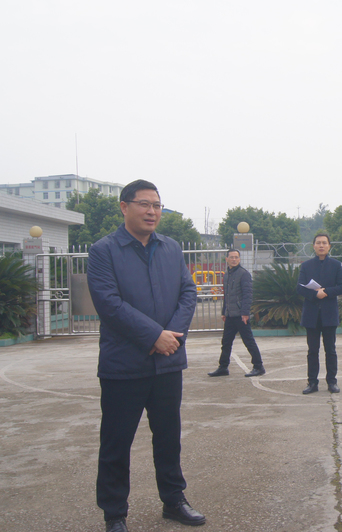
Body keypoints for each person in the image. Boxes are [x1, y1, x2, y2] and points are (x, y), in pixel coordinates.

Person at [87, 180, 205, 532]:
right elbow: (108, 303)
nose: (152, 211)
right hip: (124, 365)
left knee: (168, 437)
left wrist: (172, 337)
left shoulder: (171, 248)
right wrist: (154, 336)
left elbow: (188, 292)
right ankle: (114, 514)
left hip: (168, 363)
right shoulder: (103, 251)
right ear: (124, 207)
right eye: (144, 204)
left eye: (157, 205)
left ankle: (174, 500)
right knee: (116, 443)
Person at [297, 232, 342, 394]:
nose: (321, 246)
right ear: (313, 246)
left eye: (324, 243)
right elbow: (300, 288)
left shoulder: (335, 265)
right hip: (311, 315)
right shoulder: (306, 266)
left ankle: (332, 382)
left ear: (329, 246)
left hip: (329, 314)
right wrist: (315, 295)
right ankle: (312, 382)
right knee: (312, 351)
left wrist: (326, 292)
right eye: (318, 243)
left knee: (330, 350)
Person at [207, 249, 265, 378]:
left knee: (248, 341)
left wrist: (245, 313)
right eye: (232, 257)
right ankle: (223, 367)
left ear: (239, 259)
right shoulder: (227, 274)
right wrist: (224, 311)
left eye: (236, 257)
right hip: (229, 315)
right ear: (226, 259)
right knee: (226, 342)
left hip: (240, 315)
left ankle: (258, 366)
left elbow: (247, 295)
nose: (234, 260)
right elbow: (226, 295)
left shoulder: (244, 274)